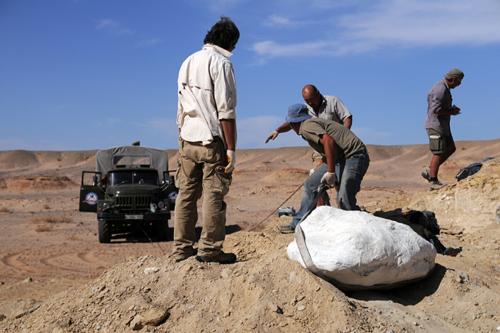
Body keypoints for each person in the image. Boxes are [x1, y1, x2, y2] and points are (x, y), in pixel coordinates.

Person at [173, 17, 239, 264]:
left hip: (187, 138)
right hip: (211, 140)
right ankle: (209, 249)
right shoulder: (221, 63)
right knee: (214, 193)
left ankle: (181, 249)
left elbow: (180, 105)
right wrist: (231, 148)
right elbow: (226, 110)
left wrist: (181, 135)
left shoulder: (187, 61)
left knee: (186, 195)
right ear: (231, 42)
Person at [265, 85, 353, 233]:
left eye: (311, 100)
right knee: (315, 183)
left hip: (336, 148)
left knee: (338, 182)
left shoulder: (333, 101)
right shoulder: (305, 110)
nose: (310, 103)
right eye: (307, 101)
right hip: (320, 151)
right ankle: (320, 214)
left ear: (318, 93)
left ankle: (344, 215)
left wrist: (343, 137)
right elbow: (293, 122)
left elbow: (347, 118)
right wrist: (278, 130)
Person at [285, 104, 370, 212]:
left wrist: (331, 172)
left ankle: (356, 223)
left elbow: (328, 140)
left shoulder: (306, 127)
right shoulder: (311, 123)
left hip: (354, 155)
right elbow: (331, 148)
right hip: (339, 158)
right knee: (311, 184)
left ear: (292, 124)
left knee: (344, 199)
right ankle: (299, 221)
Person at [422, 68, 464, 190]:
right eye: (459, 81)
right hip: (436, 126)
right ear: (454, 79)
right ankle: (433, 180)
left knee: (450, 148)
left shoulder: (445, 88)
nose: (459, 84)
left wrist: (451, 111)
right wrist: (451, 111)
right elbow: (436, 110)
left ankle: (430, 172)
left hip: (443, 126)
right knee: (439, 152)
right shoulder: (440, 89)